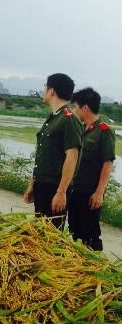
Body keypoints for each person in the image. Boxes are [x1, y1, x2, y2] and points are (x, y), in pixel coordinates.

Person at [23, 73, 83, 229]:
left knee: (51, 235)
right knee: (40, 233)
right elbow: (44, 155)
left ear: (52, 91)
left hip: (54, 188)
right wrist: (33, 183)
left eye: (45, 87)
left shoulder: (68, 119)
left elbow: (72, 157)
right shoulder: (53, 118)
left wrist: (61, 192)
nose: (43, 91)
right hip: (42, 185)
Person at [67, 87, 115, 250]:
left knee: (90, 233)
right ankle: (78, 266)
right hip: (76, 189)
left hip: (90, 192)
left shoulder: (104, 131)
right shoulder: (80, 129)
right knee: (74, 229)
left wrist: (99, 192)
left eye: (75, 107)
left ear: (85, 108)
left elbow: (107, 163)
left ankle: (95, 267)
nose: (73, 111)